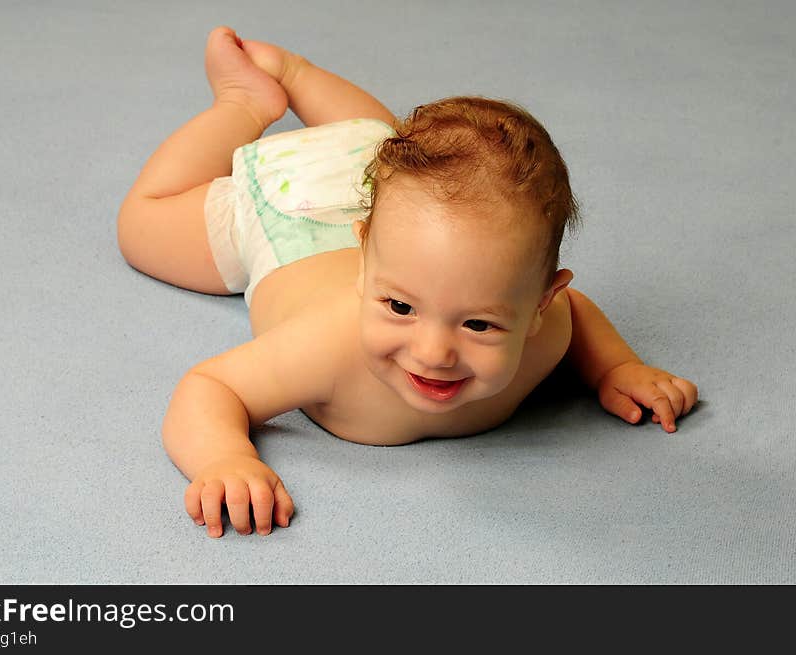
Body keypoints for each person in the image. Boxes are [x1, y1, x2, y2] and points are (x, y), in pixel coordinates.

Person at [117, 26, 699, 538]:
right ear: (364, 256)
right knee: (143, 221)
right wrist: (224, 457)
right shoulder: (328, 347)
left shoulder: (548, 329)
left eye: (478, 323)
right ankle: (248, 100)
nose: (432, 352)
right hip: (286, 216)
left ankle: (300, 78)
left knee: (370, 138)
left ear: (540, 303)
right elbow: (209, 388)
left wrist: (616, 367)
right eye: (399, 307)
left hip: (373, 177)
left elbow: (579, 314)